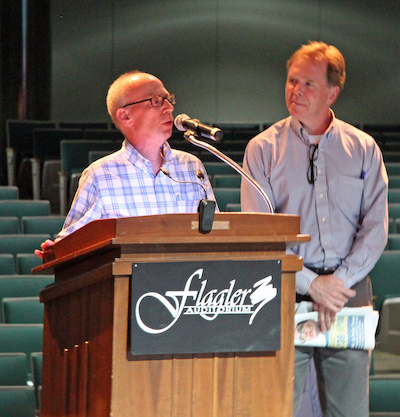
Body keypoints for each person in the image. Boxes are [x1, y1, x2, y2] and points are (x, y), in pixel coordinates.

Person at [241, 41, 388, 417]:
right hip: (284, 291)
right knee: (278, 408)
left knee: (349, 412)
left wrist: (334, 287)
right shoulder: (262, 149)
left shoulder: (364, 148)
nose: (296, 91)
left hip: (347, 296)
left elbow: (375, 230)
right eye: (292, 81)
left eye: (308, 83)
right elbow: (260, 234)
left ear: (332, 92)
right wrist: (312, 284)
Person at [35, 71, 216, 258]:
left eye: (169, 99)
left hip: (190, 281)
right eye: (156, 101)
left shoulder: (192, 166)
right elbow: (72, 245)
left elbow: (218, 231)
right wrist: (56, 250)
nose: (169, 108)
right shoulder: (100, 175)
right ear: (125, 116)